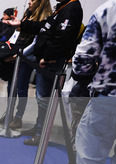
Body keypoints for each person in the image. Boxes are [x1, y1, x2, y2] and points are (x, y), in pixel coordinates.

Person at [64, 0, 116, 164]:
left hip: (107, 95)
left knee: (88, 159)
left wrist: (83, 75)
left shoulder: (109, 9)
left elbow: (84, 56)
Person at [19, 0, 83, 146]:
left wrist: (47, 57)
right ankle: (38, 128)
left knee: (44, 99)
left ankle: (40, 134)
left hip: (50, 62)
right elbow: (44, 27)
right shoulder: (63, 8)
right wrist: (22, 24)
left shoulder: (72, 8)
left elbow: (63, 38)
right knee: (41, 98)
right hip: (46, 60)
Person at [0, 0, 52, 129]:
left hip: (27, 57)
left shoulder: (44, 19)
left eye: (32, 0)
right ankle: (8, 113)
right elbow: (17, 34)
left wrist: (19, 55)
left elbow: (36, 43)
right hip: (16, 54)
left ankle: (18, 117)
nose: (29, 2)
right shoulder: (27, 14)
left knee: (21, 87)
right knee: (10, 86)